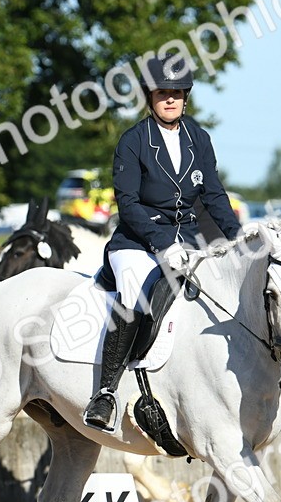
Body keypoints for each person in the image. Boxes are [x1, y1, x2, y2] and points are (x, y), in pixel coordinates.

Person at [82, 53, 242, 431]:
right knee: (136, 291)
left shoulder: (198, 138)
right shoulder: (133, 141)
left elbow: (214, 196)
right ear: (149, 96)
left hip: (187, 241)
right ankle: (105, 393)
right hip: (137, 242)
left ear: (186, 95)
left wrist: (239, 240)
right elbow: (128, 203)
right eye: (161, 92)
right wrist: (159, 242)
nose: (169, 99)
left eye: (176, 92)